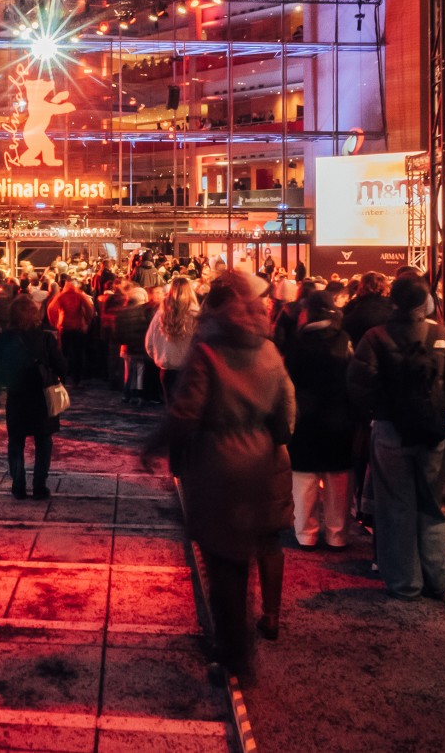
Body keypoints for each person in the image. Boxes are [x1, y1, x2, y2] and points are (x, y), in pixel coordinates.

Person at [141, 271, 295, 685]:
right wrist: (266, 442)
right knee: (248, 554)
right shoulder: (268, 351)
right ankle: (244, 642)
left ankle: (233, 658)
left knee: (224, 570)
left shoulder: (208, 351)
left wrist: (152, 446)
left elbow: (185, 413)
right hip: (260, 467)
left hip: (217, 468)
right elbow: (285, 416)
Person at [348, 276, 445, 600]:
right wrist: (436, 407)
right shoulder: (442, 335)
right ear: (425, 301)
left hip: (389, 429)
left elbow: (359, 385)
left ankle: (405, 582)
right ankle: (437, 577)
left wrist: (384, 409)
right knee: (431, 503)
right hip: (433, 431)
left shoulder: (376, 337)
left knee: (395, 505)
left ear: (394, 301)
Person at [283, 290, 356, 548]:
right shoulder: (344, 339)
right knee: (338, 479)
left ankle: (306, 534)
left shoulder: (297, 342)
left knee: (304, 480)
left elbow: (288, 382)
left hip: (305, 418)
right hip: (338, 417)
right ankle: (338, 535)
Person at [0, 294, 67, 500]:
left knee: (16, 441)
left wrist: (3, 384)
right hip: (42, 396)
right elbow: (61, 365)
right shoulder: (45, 337)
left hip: (17, 395)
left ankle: (18, 484)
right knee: (43, 441)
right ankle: (39, 486)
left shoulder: (5, 338)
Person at [144, 275, 198, 404]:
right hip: (189, 369)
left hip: (167, 369)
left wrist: (159, 356)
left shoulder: (161, 314)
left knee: (172, 409)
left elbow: (149, 342)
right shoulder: (196, 316)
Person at [46, 279, 95, 386]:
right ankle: (76, 379)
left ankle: (62, 378)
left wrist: (55, 323)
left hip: (64, 327)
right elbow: (90, 309)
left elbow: (51, 309)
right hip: (78, 327)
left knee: (64, 353)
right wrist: (87, 321)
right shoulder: (80, 296)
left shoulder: (61, 296)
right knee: (78, 354)